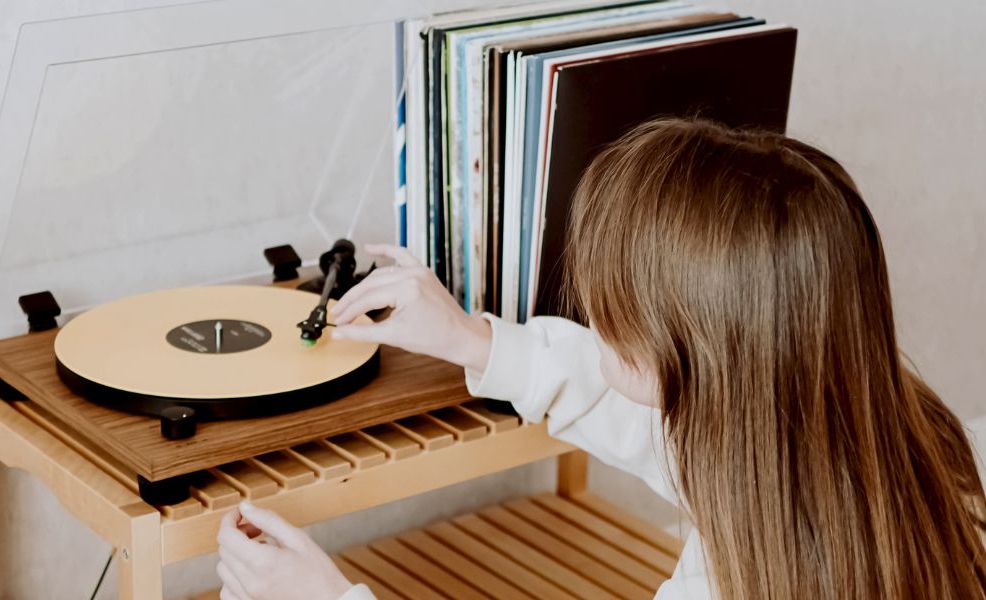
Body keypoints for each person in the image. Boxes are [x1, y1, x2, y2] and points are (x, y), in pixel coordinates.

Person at [216, 118, 986, 600]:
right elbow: (656, 418)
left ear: (692, 355)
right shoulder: (903, 445)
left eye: (615, 302)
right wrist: (471, 341)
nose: (594, 306)